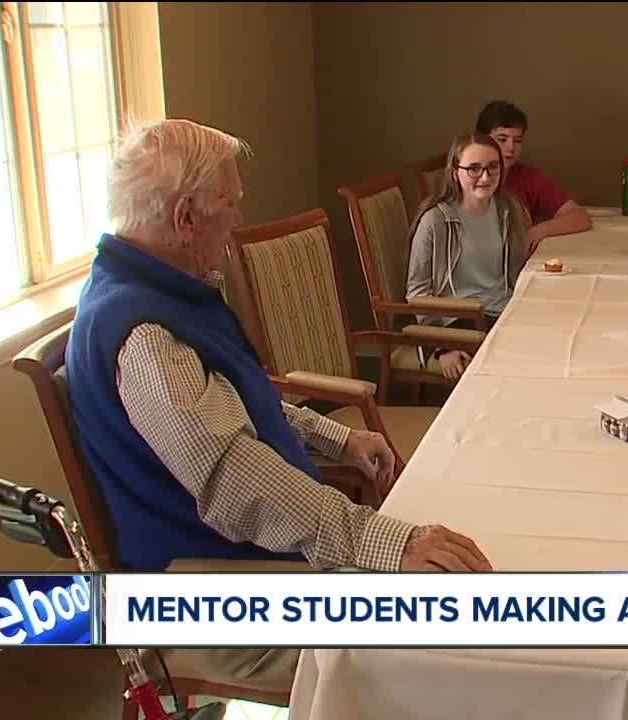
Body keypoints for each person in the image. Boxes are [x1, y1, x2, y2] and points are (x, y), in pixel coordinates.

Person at [66, 119, 492, 692]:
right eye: (230, 202)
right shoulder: (145, 335)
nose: (239, 218)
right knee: (439, 642)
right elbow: (238, 482)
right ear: (186, 220)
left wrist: (339, 438)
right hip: (204, 592)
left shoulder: (164, 293)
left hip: (239, 556)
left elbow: (241, 403)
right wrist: (386, 542)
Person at [406, 132, 529, 380]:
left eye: (492, 167)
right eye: (473, 169)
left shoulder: (509, 208)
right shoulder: (435, 221)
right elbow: (417, 293)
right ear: (455, 172)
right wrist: (444, 346)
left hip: (504, 312)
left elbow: (517, 272)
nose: (485, 177)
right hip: (456, 320)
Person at [475, 100, 592, 255]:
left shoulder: (526, 176)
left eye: (517, 141)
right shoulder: (464, 180)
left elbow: (580, 216)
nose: (511, 148)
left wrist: (539, 230)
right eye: (502, 139)